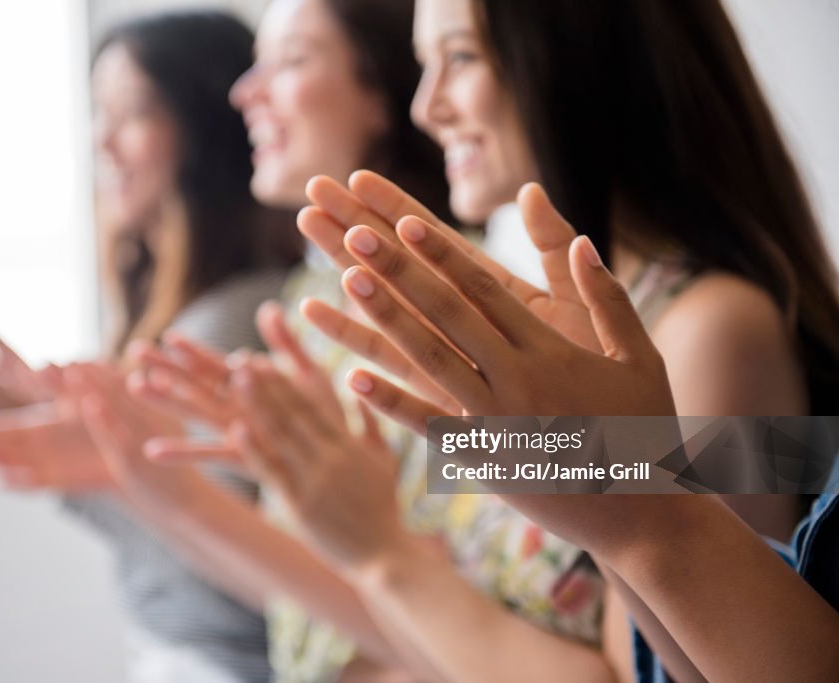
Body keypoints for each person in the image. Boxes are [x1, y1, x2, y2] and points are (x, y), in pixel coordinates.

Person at [138, 0, 839, 679]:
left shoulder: (715, 328)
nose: (426, 105)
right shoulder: (556, 337)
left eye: (461, 57)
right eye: (424, 62)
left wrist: (383, 552)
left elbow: (654, 665)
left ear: (581, 59)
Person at [0, 12, 303, 683]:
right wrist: (76, 455)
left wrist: (96, 462)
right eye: (99, 113)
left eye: (134, 112)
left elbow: (239, 569)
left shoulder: (227, 324)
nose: (103, 142)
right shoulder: (190, 313)